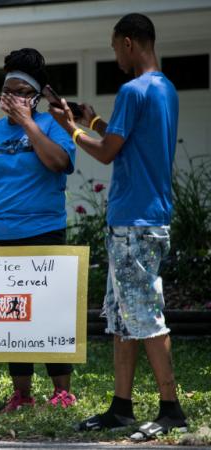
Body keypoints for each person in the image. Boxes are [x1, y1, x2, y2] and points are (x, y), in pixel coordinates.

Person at [49, 13, 187, 440]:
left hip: (133, 220)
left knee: (145, 316)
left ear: (129, 43)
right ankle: (121, 408)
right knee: (124, 320)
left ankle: (172, 410)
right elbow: (126, 144)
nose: (114, 55)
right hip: (148, 217)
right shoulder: (165, 88)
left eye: (114, 46)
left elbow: (107, 154)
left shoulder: (131, 89)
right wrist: (91, 122)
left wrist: (69, 128)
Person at [0, 48, 77, 413]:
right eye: (5, 89)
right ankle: (22, 393)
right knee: (13, 316)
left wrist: (28, 123)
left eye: (19, 90)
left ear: (34, 96)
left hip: (43, 233)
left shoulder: (52, 126)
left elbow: (60, 163)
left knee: (48, 313)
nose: (9, 95)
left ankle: (61, 390)